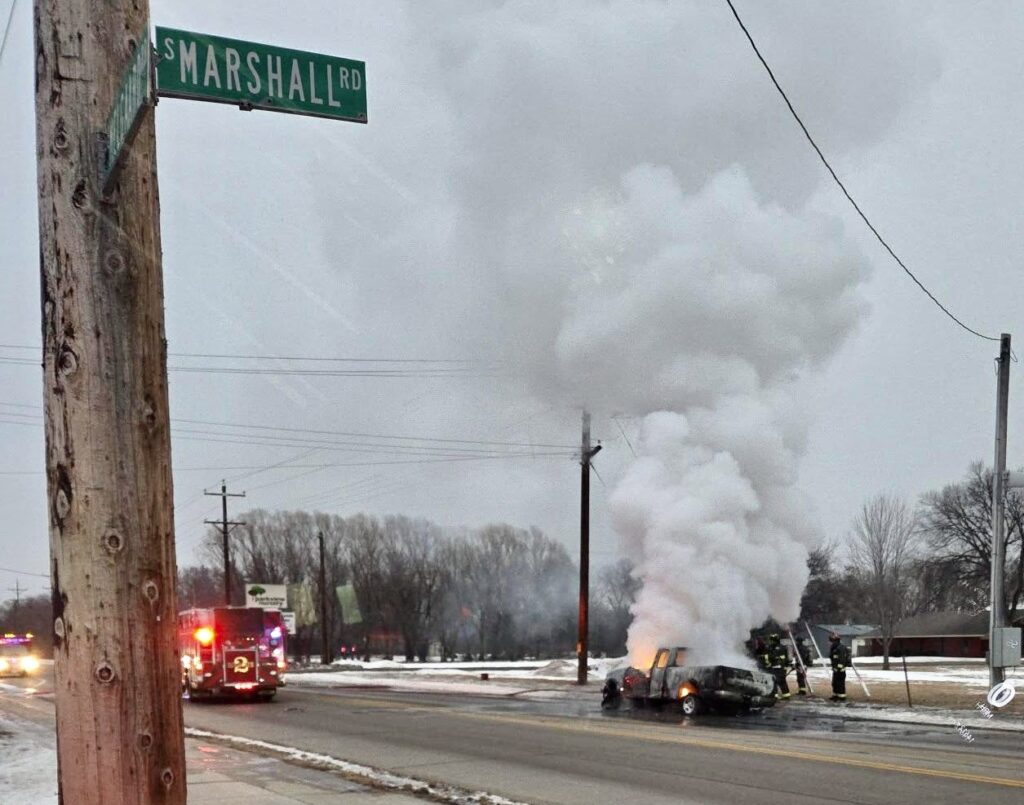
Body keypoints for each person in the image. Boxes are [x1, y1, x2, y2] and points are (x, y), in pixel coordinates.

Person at [829, 632, 850, 702]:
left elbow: (842, 659)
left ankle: (841, 696)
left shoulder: (840, 648)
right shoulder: (835, 648)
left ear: (835, 641)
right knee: (834, 683)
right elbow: (834, 658)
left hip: (840, 670)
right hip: (836, 669)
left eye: (831, 641)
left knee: (840, 683)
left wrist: (838, 668)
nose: (830, 643)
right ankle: (835, 695)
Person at [768, 633, 790, 699]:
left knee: (774, 681)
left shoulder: (772, 648)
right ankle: (786, 695)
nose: (770, 642)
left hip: (776, 667)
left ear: (775, 640)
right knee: (782, 681)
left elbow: (772, 657)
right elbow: (786, 658)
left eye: (772, 640)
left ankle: (775, 695)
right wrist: (786, 666)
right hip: (781, 667)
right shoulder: (783, 647)